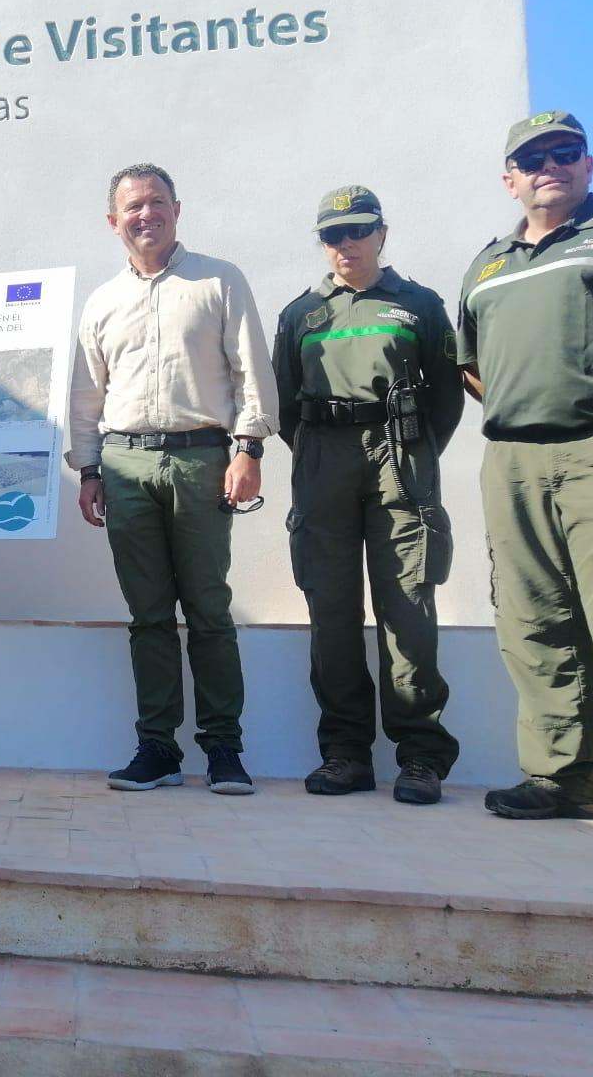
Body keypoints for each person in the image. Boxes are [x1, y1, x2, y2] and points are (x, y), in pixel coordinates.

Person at [456, 111, 593, 855]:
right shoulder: (487, 264)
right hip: (515, 459)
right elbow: (474, 365)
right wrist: (532, 403)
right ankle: (563, 777)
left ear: (587, 161)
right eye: (532, 156)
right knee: (532, 622)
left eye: (565, 151)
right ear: (509, 177)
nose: (551, 164)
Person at [68, 163, 277, 795]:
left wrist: (249, 447)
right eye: (133, 207)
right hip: (125, 465)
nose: (145, 215)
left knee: (209, 609)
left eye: (157, 202)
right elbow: (86, 397)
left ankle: (223, 750)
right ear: (114, 222)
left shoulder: (219, 280)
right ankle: (157, 748)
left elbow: (251, 370)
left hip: (201, 460)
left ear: (177, 209)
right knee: (149, 615)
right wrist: (87, 470)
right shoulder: (102, 302)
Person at [272, 186, 463, 805]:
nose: (346, 243)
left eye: (358, 230)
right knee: (331, 612)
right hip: (323, 458)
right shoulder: (300, 313)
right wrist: (321, 450)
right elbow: (283, 404)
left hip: (399, 459)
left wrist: (410, 447)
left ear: (383, 233)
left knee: (407, 605)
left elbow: (447, 399)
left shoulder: (421, 305)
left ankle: (420, 756)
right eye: (333, 234)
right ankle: (345, 753)